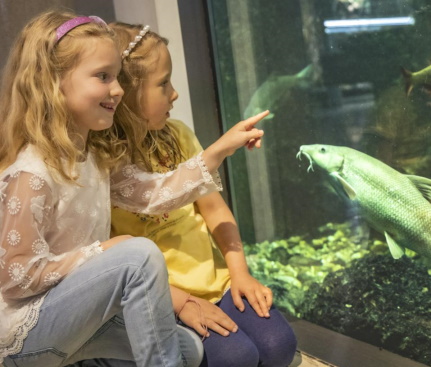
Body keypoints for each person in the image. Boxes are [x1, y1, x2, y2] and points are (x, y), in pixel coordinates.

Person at [0, 10, 269, 367]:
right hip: (26, 334)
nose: (118, 89)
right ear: (53, 82)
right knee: (136, 254)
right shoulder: (30, 173)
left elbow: (156, 195)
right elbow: (17, 278)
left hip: (81, 322)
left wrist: (218, 151)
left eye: (116, 76)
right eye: (103, 76)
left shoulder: (92, 158)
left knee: (191, 348)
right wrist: (102, 251)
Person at [108, 22, 297, 367]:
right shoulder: (106, 162)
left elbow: (214, 209)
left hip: (218, 282)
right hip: (164, 297)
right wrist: (180, 302)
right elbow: (116, 262)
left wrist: (239, 272)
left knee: (279, 345)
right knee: (237, 358)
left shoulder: (177, 135)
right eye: (163, 83)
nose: (174, 93)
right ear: (127, 92)